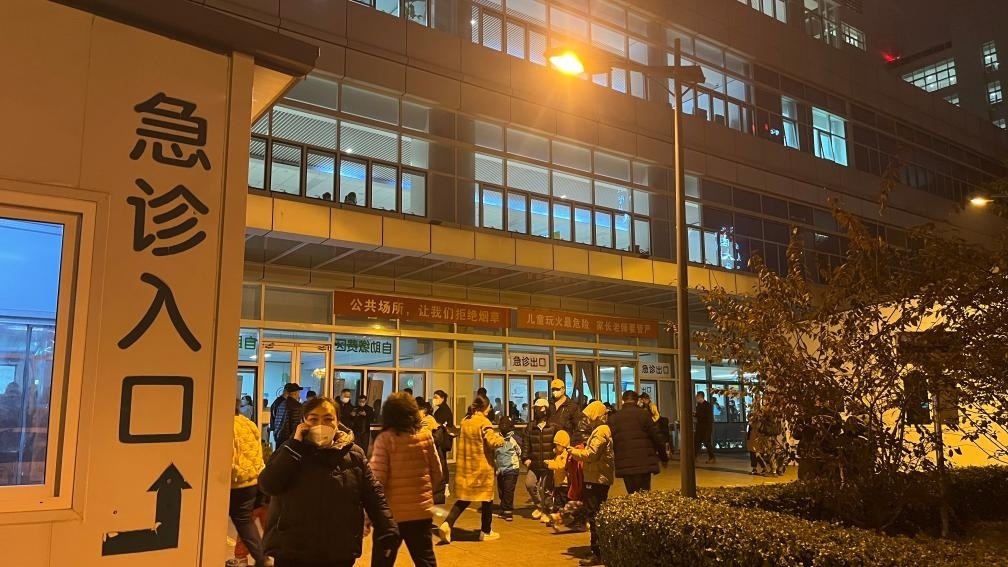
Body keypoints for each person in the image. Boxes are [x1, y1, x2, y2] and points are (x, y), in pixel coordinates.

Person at [259, 396, 399, 566]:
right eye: (313, 419)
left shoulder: (353, 454)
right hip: (292, 549)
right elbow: (268, 485)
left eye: (328, 419)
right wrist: (294, 446)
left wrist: (387, 527)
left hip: (338, 549)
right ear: (303, 422)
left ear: (337, 421)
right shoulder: (290, 450)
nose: (321, 424)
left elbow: (373, 493)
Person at [369, 393, 442, 567]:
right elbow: (437, 473)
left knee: (382, 561)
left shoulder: (385, 440)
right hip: (421, 512)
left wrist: (368, 515)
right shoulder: (425, 437)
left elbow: (377, 481)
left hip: (391, 516)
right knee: (425, 560)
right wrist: (423, 493)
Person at [436, 396, 504, 543]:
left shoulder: (465, 421)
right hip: (482, 468)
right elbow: (492, 442)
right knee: (487, 499)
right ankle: (486, 531)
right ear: (485, 407)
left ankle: (447, 524)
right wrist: (501, 439)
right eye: (489, 407)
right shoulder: (484, 422)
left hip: (466, 468)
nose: (490, 409)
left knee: (464, 499)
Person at [566, 401, 614, 567]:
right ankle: (597, 549)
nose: (586, 421)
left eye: (588, 417)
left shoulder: (600, 431)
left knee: (594, 514)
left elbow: (591, 454)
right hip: (596, 477)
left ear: (596, 416)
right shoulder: (601, 430)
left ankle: (597, 552)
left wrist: (574, 452)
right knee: (594, 513)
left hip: (596, 478)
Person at [609, 391, 668, 494]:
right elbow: (656, 437)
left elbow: (610, 440)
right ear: (637, 401)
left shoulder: (614, 418)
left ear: (623, 401)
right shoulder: (644, 415)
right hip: (644, 461)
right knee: (644, 495)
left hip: (625, 463)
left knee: (632, 494)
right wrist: (664, 457)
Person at [229, 406, 266, 567]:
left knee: (243, 522)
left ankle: (261, 558)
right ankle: (261, 558)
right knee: (246, 521)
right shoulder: (248, 423)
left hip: (237, 483)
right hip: (254, 480)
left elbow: (230, 457)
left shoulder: (227, 427)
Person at [521, 398, 558, 520]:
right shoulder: (530, 427)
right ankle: (539, 506)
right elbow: (525, 444)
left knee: (547, 489)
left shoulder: (553, 426)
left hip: (549, 464)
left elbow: (558, 444)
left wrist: (556, 458)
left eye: (538, 408)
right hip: (534, 463)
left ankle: (547, 511)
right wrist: (525, 458)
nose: (536, 411)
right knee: (530, 484)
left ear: (544, 409)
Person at [494, 416, 521, 522]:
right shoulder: (496, 438)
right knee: (501, 490)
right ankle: (503, 507)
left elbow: (520, 451)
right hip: (500, 469)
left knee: (508, 490)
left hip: (512, 468)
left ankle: (508, 510)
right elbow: (494, 451)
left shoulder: (514, 438)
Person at [430, 390, 454, 504]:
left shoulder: (444, 411)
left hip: (442, 440)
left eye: (436, 397)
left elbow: (439, 425)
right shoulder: (441, 410)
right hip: (441, 440)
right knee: (441, 461)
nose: (434, 399)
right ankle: (443, 485)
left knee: (442, 462)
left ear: (443, 398)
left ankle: (445, 486)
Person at [544, 430, 572, 526]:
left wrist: (550, 464)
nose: (556, 447)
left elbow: (561, 466)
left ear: (563, 445)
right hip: (558, 483)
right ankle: (555, 518)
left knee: (562, 502)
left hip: (564, 483)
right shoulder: (558, 454)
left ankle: (560, 517)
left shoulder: (565, 455)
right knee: (557, 502)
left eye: (558, 445)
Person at [546, 379, 582, 443]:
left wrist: (573, 442)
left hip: (565, 441)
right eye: (553, 389)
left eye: (557, 389)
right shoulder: (548, 404)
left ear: (563, 389)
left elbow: (577, 426)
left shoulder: (572, 406)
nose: (555, 391)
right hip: (549, 440)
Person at [269, 383, 303, 447]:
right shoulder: (296, 406)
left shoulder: (281, 404)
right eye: (298, 392)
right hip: (288, 440)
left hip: (279, 437)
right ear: (296, 393)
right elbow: (295, 425)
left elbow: (276, 421)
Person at [694, 391, 716, 463]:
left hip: (706, 426)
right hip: (699, 426)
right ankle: (694, 457)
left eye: (697, 397)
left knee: (707, 442)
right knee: (696, 441)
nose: (696, 399)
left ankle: (712, 457)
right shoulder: (698, 405)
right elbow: (700, 415)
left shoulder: (707, 405)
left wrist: (697, 415)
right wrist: (695, 414)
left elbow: (708, 417)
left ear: (700, 397)